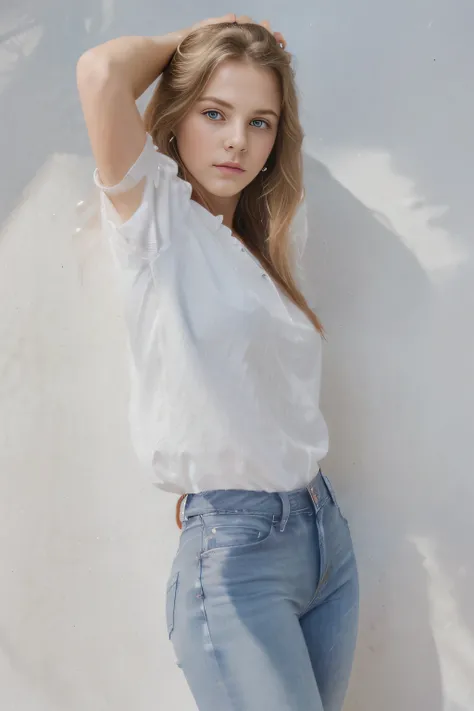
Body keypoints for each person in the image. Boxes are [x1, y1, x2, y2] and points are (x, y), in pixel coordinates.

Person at [77, 13, 359, 711]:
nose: (238, 139)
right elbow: (100, 73)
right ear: (177, 118)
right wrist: (201, 36)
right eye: (215, 111)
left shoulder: (256, 252)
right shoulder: (157, 221)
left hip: (325, 543)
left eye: (260, 121)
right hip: (238, 560)